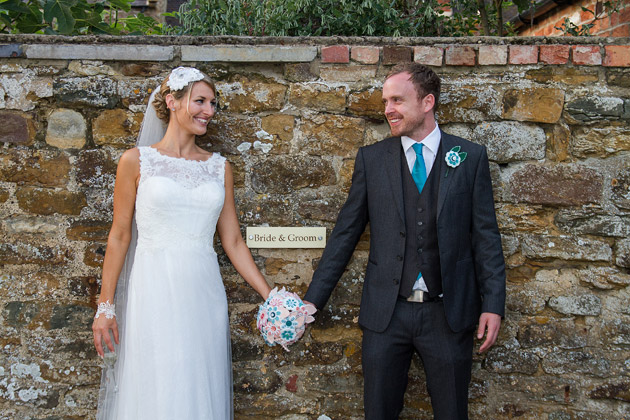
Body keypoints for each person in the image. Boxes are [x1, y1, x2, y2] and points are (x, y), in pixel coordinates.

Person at [303, 63, 506, 420]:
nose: (388, 109)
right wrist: (312, 301)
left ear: (427, 102)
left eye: (397, 99)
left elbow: (485, 236)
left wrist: (493, 304)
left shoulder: (470, 158)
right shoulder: (372, 159)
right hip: (386, 314)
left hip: (448, 313)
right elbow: (345, 234)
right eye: (385, 101)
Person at [92, 67, 271, 420]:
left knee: (197, 384)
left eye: (213, 103)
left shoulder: (220, 168)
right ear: (172, 101)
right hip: (154, 289)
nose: (209, 111)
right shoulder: (135, 161)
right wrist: (105, 307)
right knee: (158, 383)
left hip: (203, 292)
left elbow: (232, 241)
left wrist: (271, 295)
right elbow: (120, 235)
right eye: (200, 101)